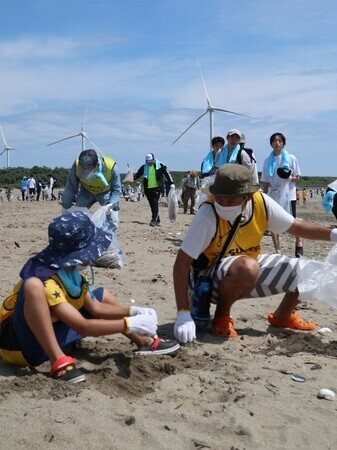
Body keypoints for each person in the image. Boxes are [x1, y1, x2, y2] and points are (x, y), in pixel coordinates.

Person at [0, 211, 179, 383]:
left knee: (103, 296)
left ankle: (143, 341)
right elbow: (82, 326)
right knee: (32, 286)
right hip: (27, 347)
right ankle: (58, 361)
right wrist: (128, 323)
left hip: (53, 334)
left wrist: (133, 311)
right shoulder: (46, 281)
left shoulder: (70, 271)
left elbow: (96, 308)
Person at [172, 164, 337, 343]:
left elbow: (295, 227)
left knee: (307, 270)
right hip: (209, 280)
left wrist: (333, 234)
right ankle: (221, 318)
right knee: (248, 266)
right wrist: (183, 313)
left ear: (247, 197)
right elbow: (181, 263)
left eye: (231, 200)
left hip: (245, 271)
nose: (223, 204)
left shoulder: (261, 203)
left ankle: (283, 316)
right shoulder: (207, 214)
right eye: (219, 198)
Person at [261, 132, 303, 257]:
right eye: (274, 141)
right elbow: (265, 181)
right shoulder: (267, 161)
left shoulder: (291, 158)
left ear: (283, 143)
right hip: (274, 193)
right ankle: (277, 250)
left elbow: (298, 177)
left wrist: (289, 178)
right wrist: (264, 195)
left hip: (289, 194)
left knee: (292, 220)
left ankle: (299, 241)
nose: (277, 143)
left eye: (280, 141)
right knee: (273, 221)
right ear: (271, 144)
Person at [61, 149, 122, 233]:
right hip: (86, 191)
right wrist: (65, 206)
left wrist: (111, 203)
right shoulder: (76, 165)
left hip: (105, 192)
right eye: (82, 171)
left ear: (97, 165)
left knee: (112, 217)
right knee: (78, 215)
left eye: (88, 171)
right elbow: (71, 186)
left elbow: (117, 190)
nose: (85, 174)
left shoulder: (111, 167)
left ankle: (110, 240)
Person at [133, 153, 173, 227]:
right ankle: (157, 219)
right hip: (148, 189)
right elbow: (137, 175)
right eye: (147, 161)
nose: (149, 163)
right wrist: (132, 177)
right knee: (152, 205)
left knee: (155, 204)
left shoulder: (160, 165)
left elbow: (167, 174)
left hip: (157, 188)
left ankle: (153, 220)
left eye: (150, 161)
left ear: (153, 159)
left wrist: (171, 183)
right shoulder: (144, 167)